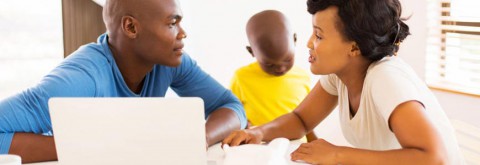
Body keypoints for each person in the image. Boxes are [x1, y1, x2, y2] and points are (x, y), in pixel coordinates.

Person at [0, 0, 246, 163]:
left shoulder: (171, 63)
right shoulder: (81, 78)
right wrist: (95, 146)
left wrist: (198, 138)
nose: (183, 33)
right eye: (172, 23)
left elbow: (231, 106)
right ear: (130, 27)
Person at [223, 0, 465, 164]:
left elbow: (433, 157)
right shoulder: (340, 74)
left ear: (354, 46)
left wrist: (337, 154)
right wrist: (257, 132)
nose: (309, 43)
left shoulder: (385, 78)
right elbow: (300, 120)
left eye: (318, 35)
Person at [230, 10, 317, 142]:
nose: (281, 68)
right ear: (251, 51)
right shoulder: (241, 78)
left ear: (294, 40)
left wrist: (315, 143)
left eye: (287, 60)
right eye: (270, 64)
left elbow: (305, 121)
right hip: (259, 146)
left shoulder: (302, 77)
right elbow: (232, 113)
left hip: (297, 148)